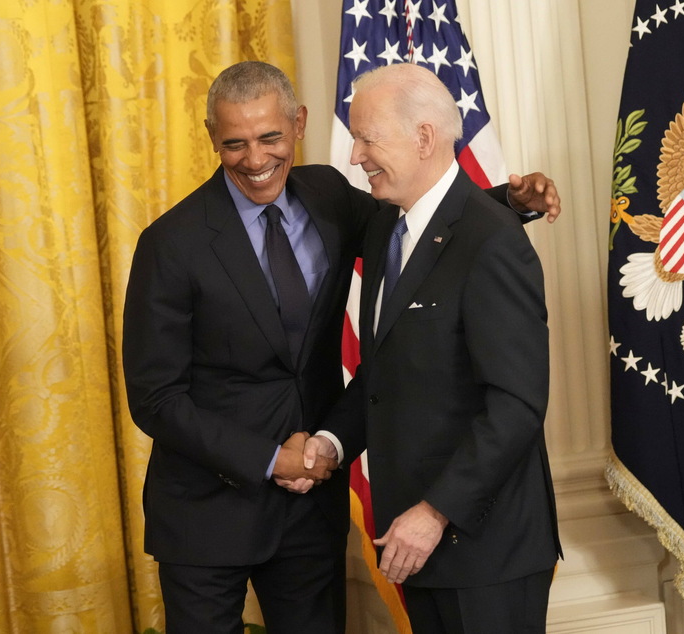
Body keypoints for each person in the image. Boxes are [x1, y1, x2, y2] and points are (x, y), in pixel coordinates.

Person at [122, 60, 560, 634]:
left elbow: (431, 219)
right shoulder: (170, 244)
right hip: (209, 513)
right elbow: (155, 397)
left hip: (311, 512)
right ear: (213, 138)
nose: (255, 160)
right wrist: (264, 458)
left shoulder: (329, 196)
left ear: (299, 124)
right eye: (235, 143)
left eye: (270, 137)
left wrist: (509, 202)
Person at [306, 62, 562, 634]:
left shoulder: (493, 242)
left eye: (368, 138)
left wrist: (434, 511)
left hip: (485, 550)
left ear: (423, 137)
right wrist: (329, 442)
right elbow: (385, 376)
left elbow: (516, 405)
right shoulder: (385, 230)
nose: (355, 156)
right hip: (418, 546)